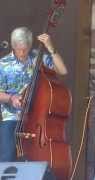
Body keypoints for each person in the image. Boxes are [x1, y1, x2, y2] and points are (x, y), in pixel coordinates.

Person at [0, 27, 68, 161]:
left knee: (39, 160)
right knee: (7, 159)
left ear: (30, 45)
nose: (23, 52)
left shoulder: (38, 57)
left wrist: (51, 48)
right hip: (12, 118)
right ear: (13, 46)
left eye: (26, 48)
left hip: (36, 118)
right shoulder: (3, 65)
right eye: (19, 49)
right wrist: (11, 98)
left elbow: (63, 70)